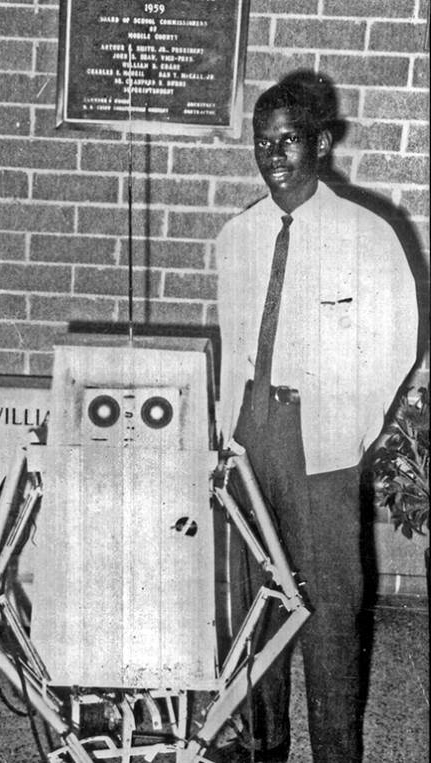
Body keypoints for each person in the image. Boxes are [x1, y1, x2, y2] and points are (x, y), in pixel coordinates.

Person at [214, 78, 418, 762]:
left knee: (330, 613)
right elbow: (232, 342)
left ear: (322, 143)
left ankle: (336, 751)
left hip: (321, 441)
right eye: (262, 141)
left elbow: (396, 340)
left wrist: (352, 427)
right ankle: (262, 742)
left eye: (289, 139)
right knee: (254, 605)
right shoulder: (237, 236)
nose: (273, 155)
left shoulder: (368, 234)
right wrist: (225, 435)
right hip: (250, 436)